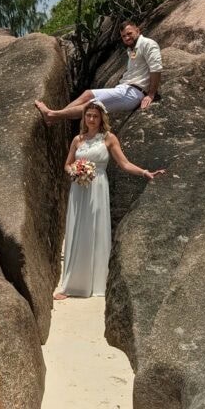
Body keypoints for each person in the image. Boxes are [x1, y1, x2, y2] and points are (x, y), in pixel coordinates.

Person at [54, 101, 164, 300]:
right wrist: (73, 172)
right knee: (78, 229)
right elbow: (67, 164)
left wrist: (144, 172)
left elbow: (124, 163)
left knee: (94, 228)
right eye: (88, 115)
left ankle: (96, 282)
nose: (91, 119)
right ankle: (74, 285)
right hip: (79, 188)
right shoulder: (78, 139)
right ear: (84, 117)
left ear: (101, 118)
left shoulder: (108, 138)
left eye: (95, 116)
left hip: (98, 187)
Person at [36, 20, 163, 123]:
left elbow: (156, 68)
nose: (126, 37)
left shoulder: (148, 44)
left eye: (129, 33)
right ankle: (55, 117)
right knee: (87, 94)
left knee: (92, 106)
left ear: (138, 30)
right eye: (124, 36)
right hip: (124, 89)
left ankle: (52, 115)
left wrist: (151, 94)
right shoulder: (132, 49)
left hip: (134, 93)